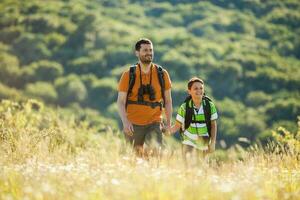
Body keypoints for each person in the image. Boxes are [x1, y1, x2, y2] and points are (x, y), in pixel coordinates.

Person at [117, 38, 172, 157]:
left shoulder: (162, 74)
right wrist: (125, 122)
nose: (149, 53)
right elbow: (121, 102)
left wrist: (168, 123)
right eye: (145, 50)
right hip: (133, 124)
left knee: (154, 156)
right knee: (135, 159)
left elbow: (168, 101)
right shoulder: (128, 75)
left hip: (155, 122)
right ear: (137, 53)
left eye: (151, 50)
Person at [166, 77, 218, 163]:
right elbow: (177, 126)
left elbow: (213, 125)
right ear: (189, 91)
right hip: (188, 141)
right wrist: (168, 131)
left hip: (204, 143)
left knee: (201, 169)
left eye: (201, 88)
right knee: (188, 167)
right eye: (195, 88)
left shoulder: (209, 106)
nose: (199, 90)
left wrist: (213, 143)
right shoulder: (184, 107)